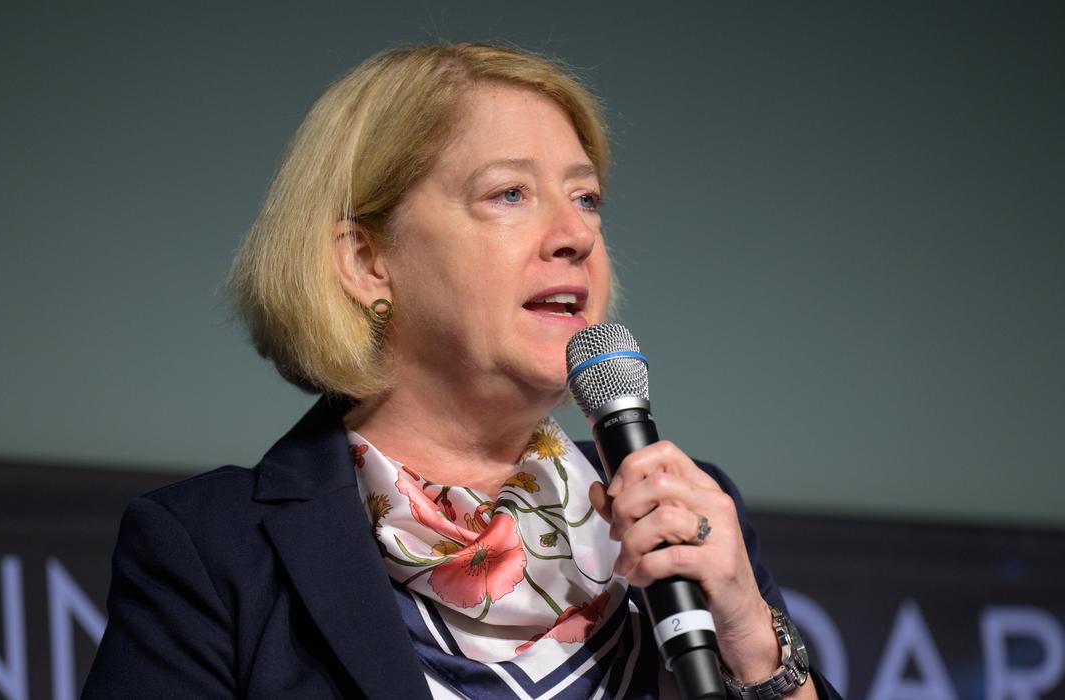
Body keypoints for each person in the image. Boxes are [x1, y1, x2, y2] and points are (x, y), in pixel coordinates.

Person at [82, 42, 841, 700]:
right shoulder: (214, 549)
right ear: (367, 262)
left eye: (587, 198)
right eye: (509, 194)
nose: (576, 233)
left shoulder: (679, 517)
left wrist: (749, 635)